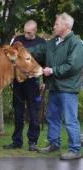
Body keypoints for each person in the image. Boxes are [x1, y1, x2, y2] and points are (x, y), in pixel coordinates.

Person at [33, 12, 83, 160]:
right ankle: (54, 143)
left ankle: (75, 149)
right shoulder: (52, 43)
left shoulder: (76, 44)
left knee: (70, 119)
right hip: (54, 87)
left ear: (66, 25)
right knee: (52, 117)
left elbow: (73, 66)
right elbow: (38, 53)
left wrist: (52, 71)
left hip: (68, 89)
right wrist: (20, 51)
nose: (54, 26)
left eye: (57, 24)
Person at [3, 20, 45, 151]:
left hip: (33, 83)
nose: (26, 34)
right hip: (18, 82)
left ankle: (33, 142)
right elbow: (9, 57)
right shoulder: (17, 40)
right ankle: (17, 141)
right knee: (18, 112)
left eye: (29, 32)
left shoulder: (42, 43)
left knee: (33, 113)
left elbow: (45, 63)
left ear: (35, 31)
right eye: (25, 32)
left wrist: (44, 81)